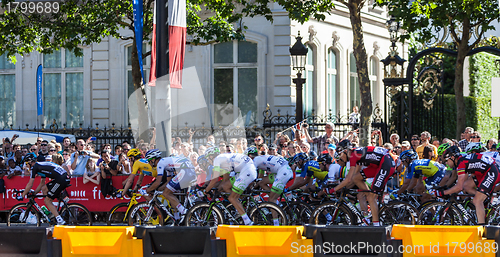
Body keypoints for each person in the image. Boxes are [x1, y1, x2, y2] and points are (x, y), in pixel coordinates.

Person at [331, 140, 395, 226]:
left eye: (340, 156)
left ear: (345, 151)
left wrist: (333, 189)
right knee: (357, 178)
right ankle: (368, 195)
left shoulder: (353, 156)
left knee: (372, 198)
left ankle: (376, 225)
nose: (340, 159)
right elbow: (354, 177)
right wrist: (344, 187)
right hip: (380, 164)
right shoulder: (356, 153)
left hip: (385, 164)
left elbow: (348, 179)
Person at [433, 145, 500, 225]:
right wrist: (447, 189)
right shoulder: (461, 159)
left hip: (491, 171)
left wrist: (443, 193)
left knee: (477, 200)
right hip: (486, 170)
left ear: (453, 157)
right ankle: (484, 200)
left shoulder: (461, 163)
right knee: (467, 185)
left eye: (447, 161)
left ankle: (482, 228)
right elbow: (462, 184)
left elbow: (459, 187)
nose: (446, 163)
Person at [206, 147, 258, 225]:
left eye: (207, 159)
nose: (208, 161)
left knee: (232, 198)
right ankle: (238, 204)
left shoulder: (217, 159)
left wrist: (206, 190)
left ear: (211, 156)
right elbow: (225, 181)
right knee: (225, 186)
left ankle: (247, 221)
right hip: (245, 170)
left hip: (247, 171)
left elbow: (215, 180)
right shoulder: (222, 159)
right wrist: (217, 188)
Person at [17, 154, 70, 225]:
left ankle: (60, 220)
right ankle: (52, 212)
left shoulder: (34, 167)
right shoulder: (40, 166)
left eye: (26, 163)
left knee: (47, 200)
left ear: (30, 162)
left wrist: (23, 195)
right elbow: (42, 183)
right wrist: (34, 193)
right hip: (62, 178)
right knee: (44, 189)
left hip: (61, 179)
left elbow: (30, 184)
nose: (26, 165)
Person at [148, 149, 196, 223]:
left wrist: (148, 190)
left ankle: (183, 211)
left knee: (166, 193)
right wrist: (158, 189)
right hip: (190, 171)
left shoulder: (160, 163)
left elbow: (158, 181)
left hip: (185, 171)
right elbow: (168, 182)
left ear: (153, 159)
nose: (149, 163)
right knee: (170, 192)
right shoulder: (167, 164)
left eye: (149, 161)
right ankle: (177, 218)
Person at [250, 148, 293, 226]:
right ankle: (275, 200)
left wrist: (249, 187)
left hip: (282, 172)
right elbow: (260, 178)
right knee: (262, 182)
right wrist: (255, 185)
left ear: (250, 157)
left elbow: (250, 176)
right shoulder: (260, 159)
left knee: (271, 199)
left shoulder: (254, 161)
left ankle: (276, 223)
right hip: (283, 171)